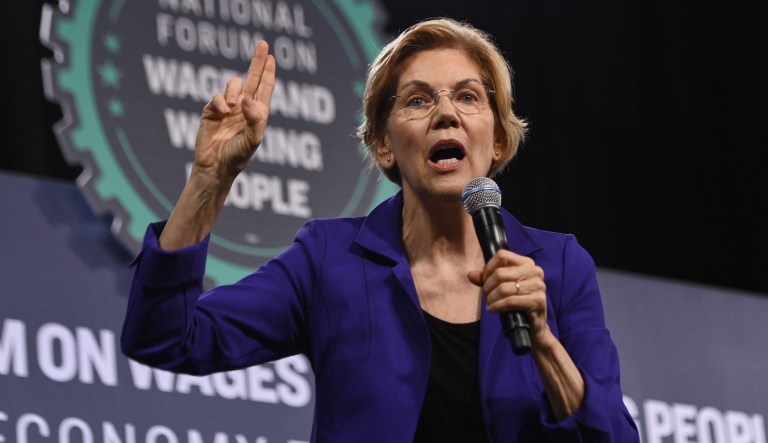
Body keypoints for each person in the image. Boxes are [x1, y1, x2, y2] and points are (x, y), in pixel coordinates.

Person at [121, 18, 640, 442]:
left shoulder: (559, 266)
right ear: (384, 145)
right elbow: (165, 338)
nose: (445, 114)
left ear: (498, 141)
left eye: (468, 97)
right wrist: (209, 182)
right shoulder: (329, 259)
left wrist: (546, 342)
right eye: (417, 100)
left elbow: (613, 436)